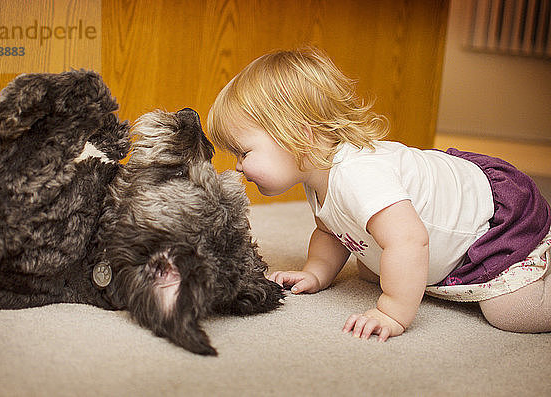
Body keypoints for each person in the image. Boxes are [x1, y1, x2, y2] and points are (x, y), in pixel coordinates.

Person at [206, 47, 551, 341]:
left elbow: (409, 240)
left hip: (491, 221)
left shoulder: (359, 175)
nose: (237, 167)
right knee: (374, 267)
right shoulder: (316, 176)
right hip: (438, 221)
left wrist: (393, 311)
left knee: (510, 313)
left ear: (299, 136)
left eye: (243, 153)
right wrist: (316, 272)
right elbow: (332, 230)